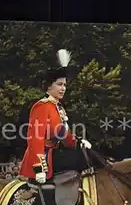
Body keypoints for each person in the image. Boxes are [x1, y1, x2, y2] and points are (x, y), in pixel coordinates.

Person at [19, 49, 92, 185]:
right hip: (45, 158)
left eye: (64, 85)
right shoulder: (42, 106)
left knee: (87, 154)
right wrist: (38, 167)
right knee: (83, 158)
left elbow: (64, 135)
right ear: (48, 87)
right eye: (59, 84)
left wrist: (78, 143)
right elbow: (35, 138)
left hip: (55, 154)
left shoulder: (58, 108)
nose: (63, 88)